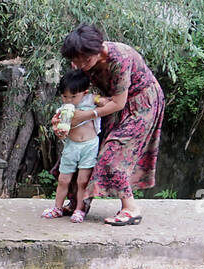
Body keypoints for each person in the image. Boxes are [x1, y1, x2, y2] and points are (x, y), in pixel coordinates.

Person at [56, 23, 165, 226]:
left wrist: (88, 114)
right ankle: (79, 203)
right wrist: (65, 116)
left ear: (98, 50)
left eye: (86, 60)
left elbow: (119, 102)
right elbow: (79, 93)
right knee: (92, 149)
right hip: (110, 102)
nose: (80, 65)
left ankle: (131, 209)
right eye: (76, 61)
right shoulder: (81, 61)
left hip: (141, 103)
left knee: (114, 152)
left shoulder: (119, 58)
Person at [42, 70, 101, 223]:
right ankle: (57, 207)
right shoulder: (62, 110)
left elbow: (108, 104)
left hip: (89, 146)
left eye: (73, 96)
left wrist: (98, 101)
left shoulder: (91, 100)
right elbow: (58, 128)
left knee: (82, 180)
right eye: (65, 96)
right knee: (63, 179)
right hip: (71, 146)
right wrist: (59, 131)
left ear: (85, 92)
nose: (69, 100)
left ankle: (79, 210)